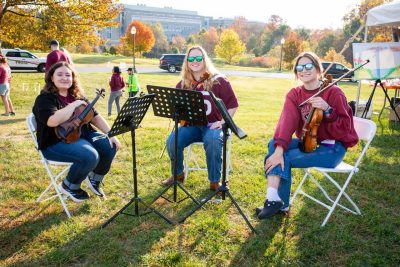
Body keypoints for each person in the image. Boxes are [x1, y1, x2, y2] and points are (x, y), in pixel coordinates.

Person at [256, 52, 358, 220]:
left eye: (309, 66)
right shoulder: (295, 95)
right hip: (309, 141)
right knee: (274, 144)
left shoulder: (334, 93)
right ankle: (276, 200)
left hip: (333, 149)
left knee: (285, 158)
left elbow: (345, 129)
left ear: (318, 69)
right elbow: (286, 122)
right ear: (296, 72)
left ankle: (275, 200)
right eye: (300, 67)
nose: (304, 70)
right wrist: (279, 148)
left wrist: (328, 110)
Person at [32, 62, 121, 202]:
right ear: (51, 78)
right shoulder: (45, 99)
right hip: (55, 142)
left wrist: (111, 134)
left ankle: (95, 179)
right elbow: (53, 121)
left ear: (73, 78)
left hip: (82, 136)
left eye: (68, 75)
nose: (64, 78)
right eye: (59, 74)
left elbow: (95, 117)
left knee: (109, 146)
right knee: (90, 155)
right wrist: (74, 104)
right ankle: (70, 185)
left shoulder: (77, 96)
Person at [161, 45, 239, 191]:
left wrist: (222, 122)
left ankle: (215, 182)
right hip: (193, 126)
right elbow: (177, 107)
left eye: (198, 58)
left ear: (205, 60)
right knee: (172, 141)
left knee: (213, 140)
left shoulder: (219, 80)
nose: (194, 61)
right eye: (191, 58)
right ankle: (178, 175)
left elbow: (233, 105)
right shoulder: (184, 84)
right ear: (187, 62)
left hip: (212, 126)